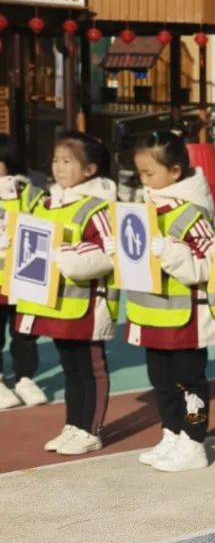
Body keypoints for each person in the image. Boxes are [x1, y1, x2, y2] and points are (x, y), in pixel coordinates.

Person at [116, 131, 215, 472]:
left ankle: (194, 441)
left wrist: (172, 253)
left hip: (187, 317)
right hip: (152, 314)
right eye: (140, 173)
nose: (143, 180)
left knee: (189, 382)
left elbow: (212, 264)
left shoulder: (191, 213)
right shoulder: (142, 210)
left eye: (150, 173)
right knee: (160, 380)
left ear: (176, 172)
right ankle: (172, 432)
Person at [16, 132, 117, 454]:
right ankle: (74, 425)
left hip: (87, 307)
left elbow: (110, 254)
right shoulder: (46, 203)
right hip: (56, 305)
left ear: (90, 170)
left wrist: (71, 258)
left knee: (90, 369)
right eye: (56, 161)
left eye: (68, 161)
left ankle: (91, 430)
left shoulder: (98, 208)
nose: (59, 168)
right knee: (71, 368)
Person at [0, 134, 48, 409]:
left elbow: (46, 224)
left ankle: (25, 379)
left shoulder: (32, 194)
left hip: (25, 280)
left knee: (26, 334)